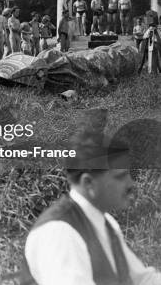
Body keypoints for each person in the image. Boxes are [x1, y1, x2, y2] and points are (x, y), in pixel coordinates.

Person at [23, 109, 161, 285]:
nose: (130, 184)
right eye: (120, 176)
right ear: (89, 183)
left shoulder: (106, 222)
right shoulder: (60, 233)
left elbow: (141, 279)